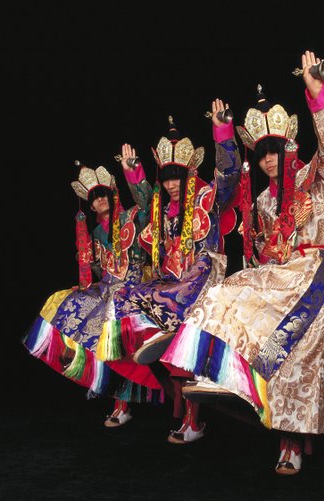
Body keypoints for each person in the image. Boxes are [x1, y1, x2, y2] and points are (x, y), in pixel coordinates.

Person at [156, 51, 324, 475]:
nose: (267, 160)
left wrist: (318, 96)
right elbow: (262, 254)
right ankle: (218, 370)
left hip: (312, 274)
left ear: (288, 147)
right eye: (261, 154)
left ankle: (291, 443)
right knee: (225, 290)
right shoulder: (261, 200)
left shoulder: (313, 177)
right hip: (276, 276)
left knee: (292, 349)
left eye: (274, 151)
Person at [98, 106, 240, 444]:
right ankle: (156, 332)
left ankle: (193, 420)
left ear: (189, 174)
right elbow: (145, 196)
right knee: (123, 295)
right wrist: (134, 173)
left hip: (203, 279)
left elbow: (230, 174)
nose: (172, 184)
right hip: (172, 283)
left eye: (178, 176)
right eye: (167, 178)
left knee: (182, 310)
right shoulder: (161, 209)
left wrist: (223, 133)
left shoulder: (208, 197)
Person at [22, 154, 160, 426]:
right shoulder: (95, 233)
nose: (99, 200)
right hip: (108, 288)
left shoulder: (132, 215)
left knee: (110, 321)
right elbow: (102, 272)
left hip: (133, 287)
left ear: (112, 193)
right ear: (90, 204)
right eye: (94, 197)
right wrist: (90, 268)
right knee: (64, 301)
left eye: (103, 194)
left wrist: (134, 172)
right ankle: (108, 390)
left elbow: (148, 205)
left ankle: (123, 402)